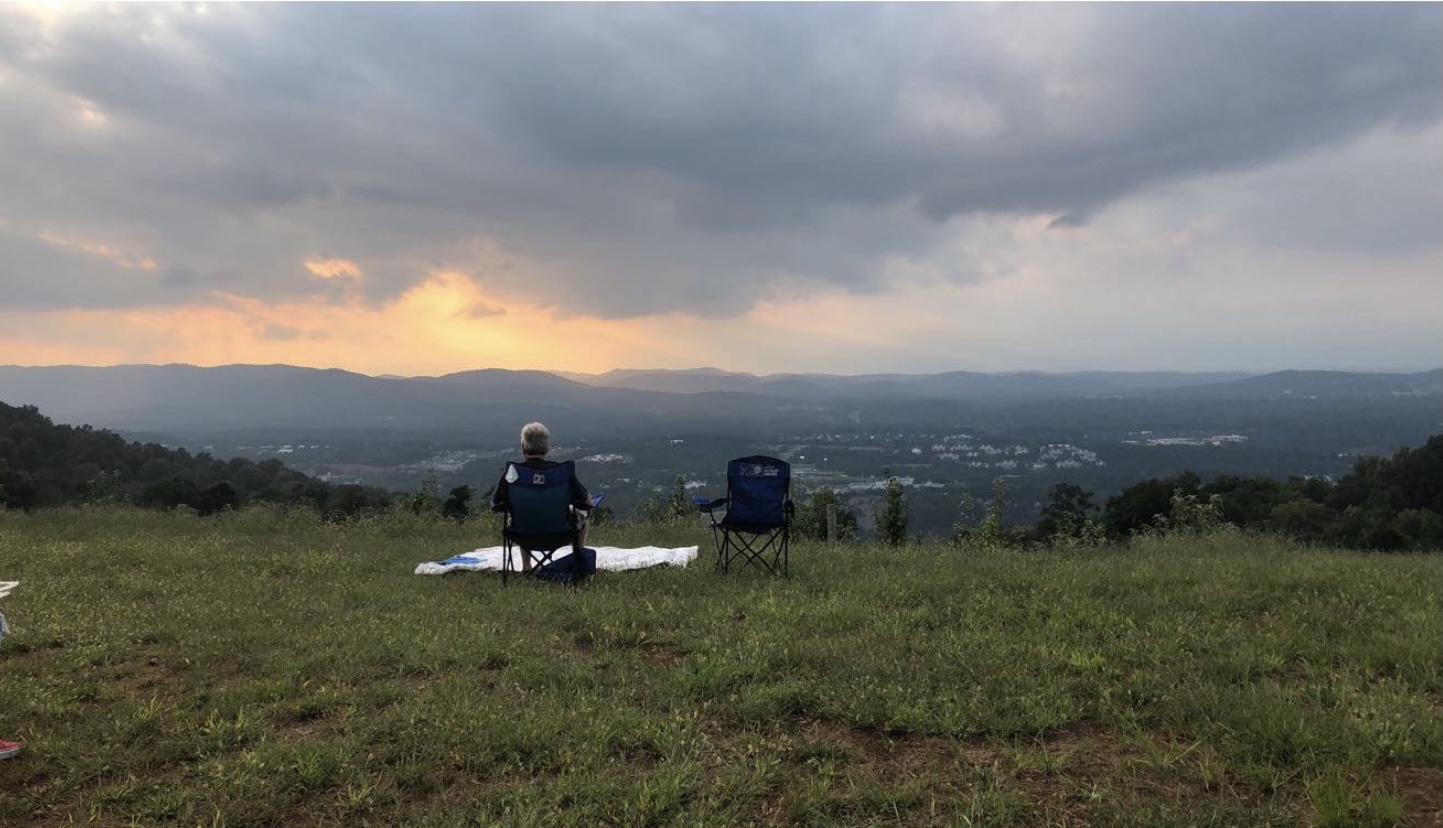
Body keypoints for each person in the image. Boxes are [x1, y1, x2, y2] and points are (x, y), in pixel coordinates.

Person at [490, 422, 592, 573]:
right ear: (547, 448)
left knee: (520, 514)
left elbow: (496, 504)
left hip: (522, 534)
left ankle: (526, 566)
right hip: (561, 533)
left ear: (523, 447)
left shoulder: (512, 474)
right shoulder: (562, 474)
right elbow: (586, 502)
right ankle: (578, 560)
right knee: (583, 516)